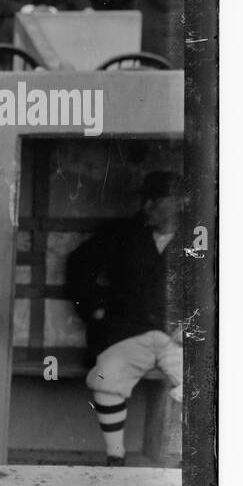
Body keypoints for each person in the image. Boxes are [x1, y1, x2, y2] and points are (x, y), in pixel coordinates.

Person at [67, 171, 184, 466]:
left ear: (180, 201)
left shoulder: (202, 236)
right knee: (106, 377)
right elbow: (78, 264)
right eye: (145, 199)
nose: (147, 206)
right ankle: (115, 458)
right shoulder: (124, 233)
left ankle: (190, 458)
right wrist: (93, 307)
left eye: (156, 200)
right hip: (127, 332)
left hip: (179, 337)